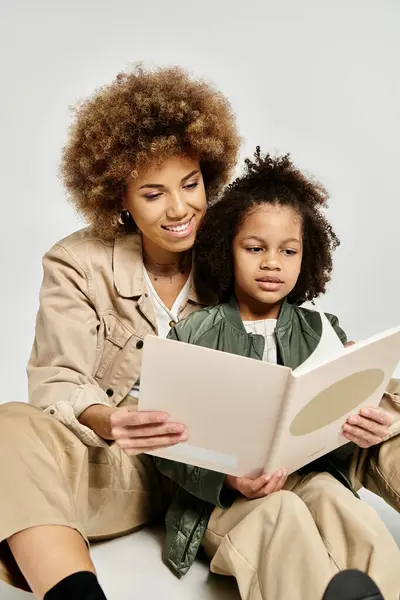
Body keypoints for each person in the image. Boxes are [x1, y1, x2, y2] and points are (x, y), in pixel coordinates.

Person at [0, 64, 240, 600]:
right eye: (153, 194)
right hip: (120, 469)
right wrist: (112, 421)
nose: (180, 209)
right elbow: (57, 380)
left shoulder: (237, 251)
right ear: (119, 201)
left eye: (191, 184)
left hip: (214, 473)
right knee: (7, 424)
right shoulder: (76, 263)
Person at [153, 149, 400, 600]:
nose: (272, 263)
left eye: (288, 251)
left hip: (307, 474)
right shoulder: (192, 333)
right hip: (224, 503)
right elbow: (165, 444)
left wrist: (361, 425)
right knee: (279, 511)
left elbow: (332, 429)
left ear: (306, 257)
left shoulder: (323, 330)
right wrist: (227, 478)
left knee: (334, 497)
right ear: (227, 248)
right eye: (255, 248)